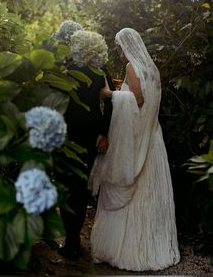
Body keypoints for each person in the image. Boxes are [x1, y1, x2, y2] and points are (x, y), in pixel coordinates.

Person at [89, 28, 180, 271]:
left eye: (118, 47)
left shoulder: (132, 66)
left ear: (126, 45)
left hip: (137, 139)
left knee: (134, 190)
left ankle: (128, 249)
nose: (118, 52)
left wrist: (110, 94)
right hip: (153, 138)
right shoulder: (153, 69)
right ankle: (149, 243)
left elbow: (137, 101)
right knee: (148, 193)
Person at [52, 20, 115, 260]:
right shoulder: (101, 70)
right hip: (90, 131)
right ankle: (74, 238)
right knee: (80, 187)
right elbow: (110, 102)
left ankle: (72, 240)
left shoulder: (65, 66)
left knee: (67, 185)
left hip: (66, 131)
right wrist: (104, 132)